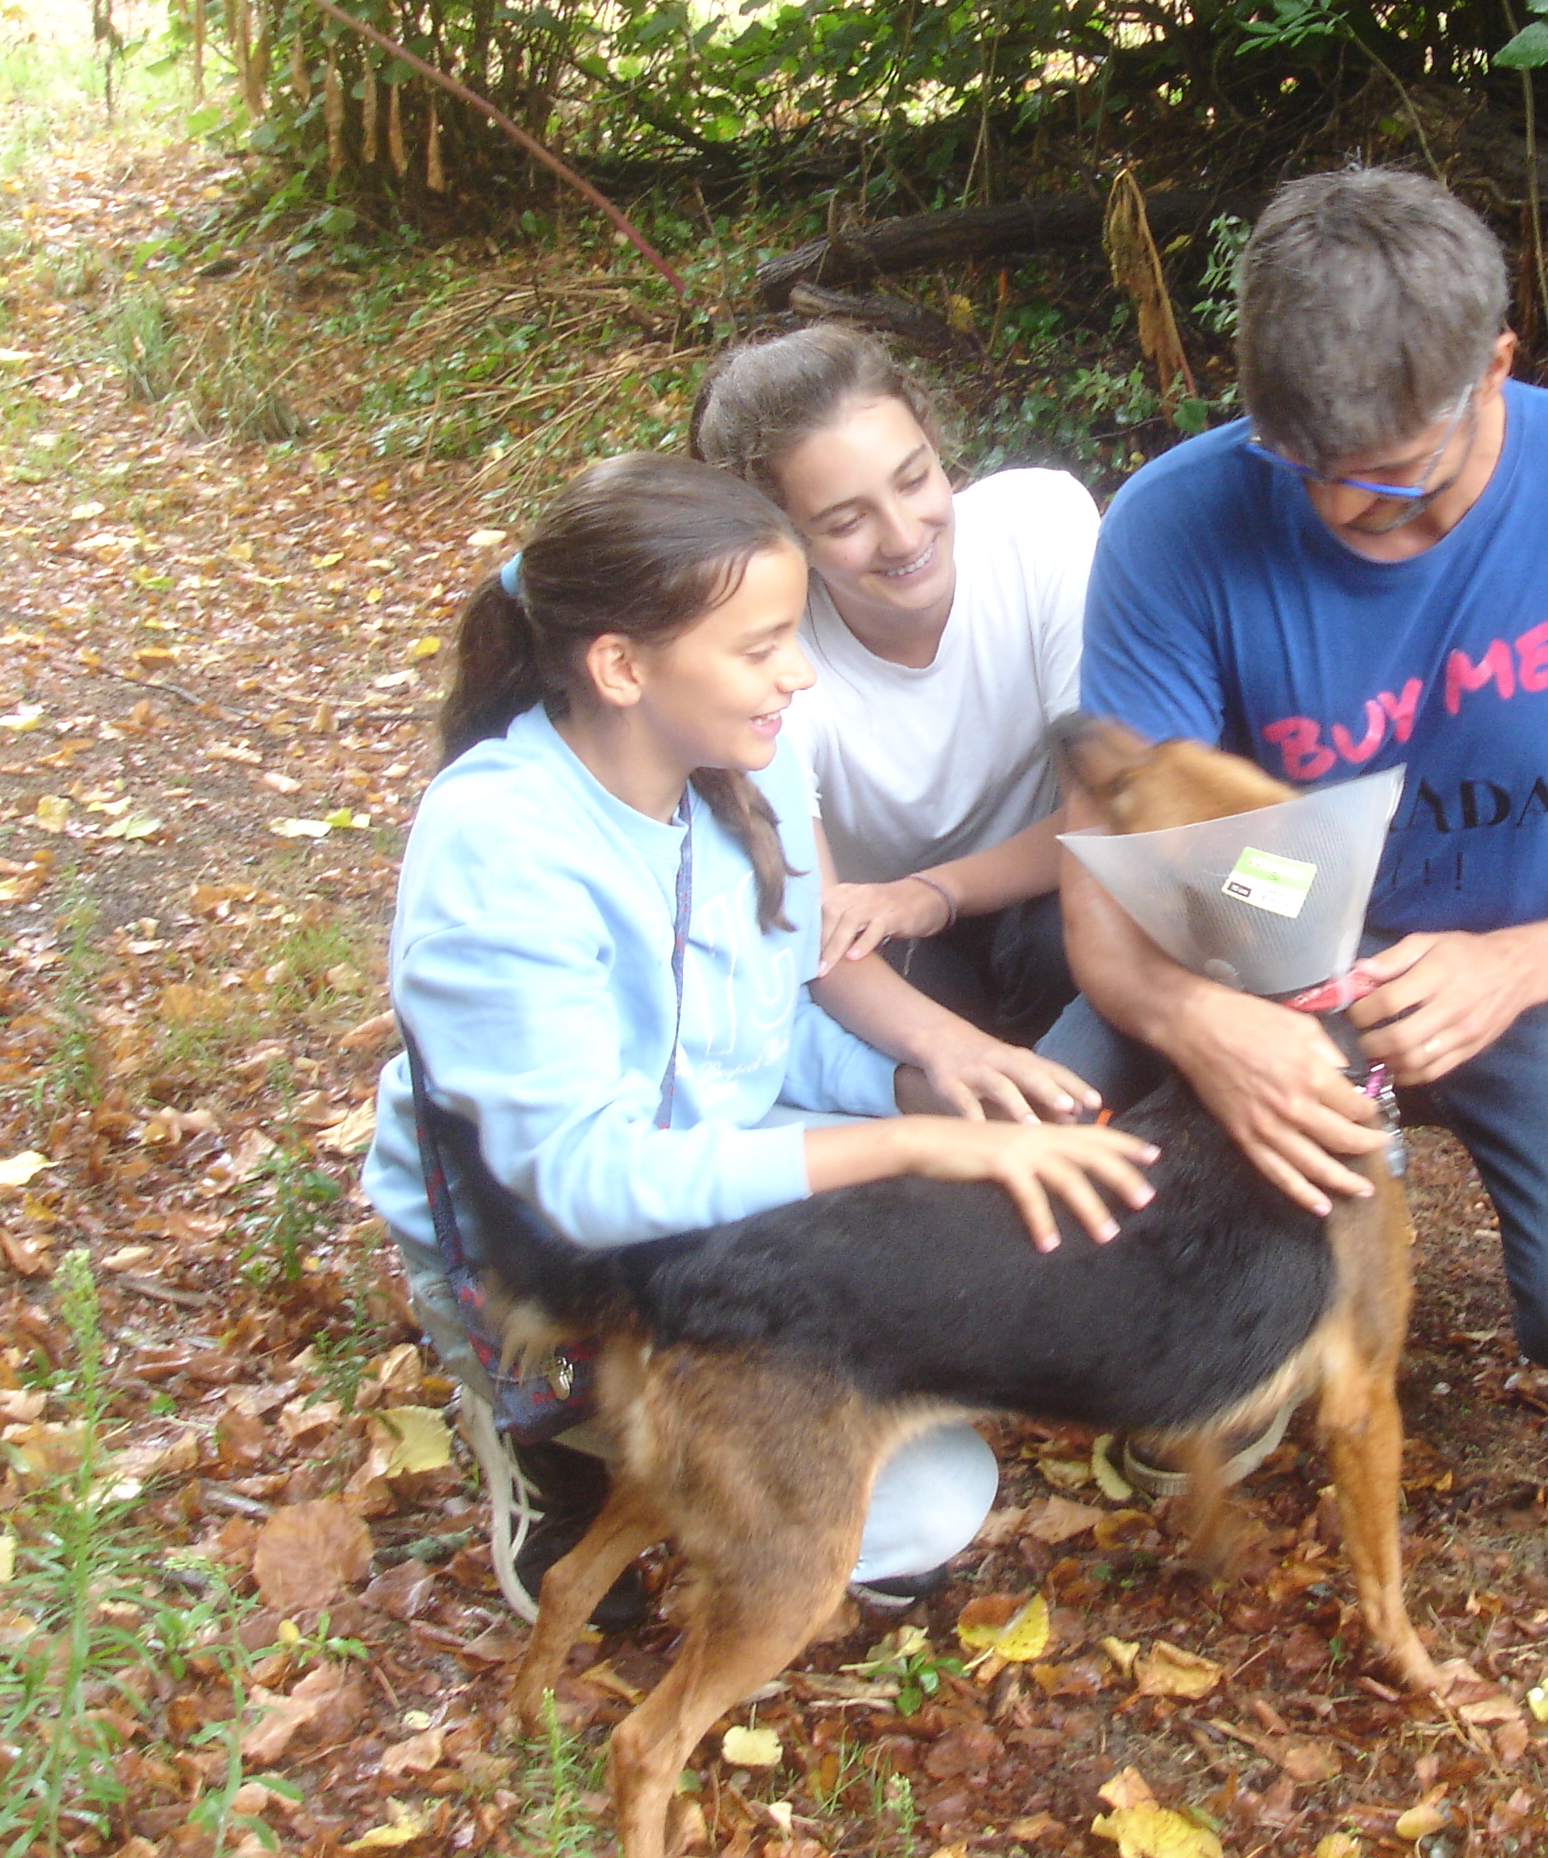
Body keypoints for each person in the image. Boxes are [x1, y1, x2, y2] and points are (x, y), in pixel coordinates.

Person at [1060, 167, 1548, 1466]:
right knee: (1061, 1145)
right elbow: (1111, 891)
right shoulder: (1173, 525)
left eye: (1396, 475)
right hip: (1279, 949)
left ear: (1496, 367)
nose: (1342, 509)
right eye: (1301, 467)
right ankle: (1241, 1337)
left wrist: (1516, 967)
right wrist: (1198, 1023)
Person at [363, 453, 1155, 1627]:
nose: (800, 672)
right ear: (621, 668)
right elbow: (583, 1179)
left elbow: (756, 1031)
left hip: (708, 1163)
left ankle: (701, 1435)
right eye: (761, 647)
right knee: (926, 1500)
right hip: (542, 1250)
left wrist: (925, 1086)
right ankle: (545, 1431)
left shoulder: (749, 764)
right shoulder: (502, 846)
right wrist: (909, 1149)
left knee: (964, 1343)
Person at [697, 325, 1099, 1054]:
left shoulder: (1041, 528)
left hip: (1051, 886)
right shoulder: (772, 659)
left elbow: (1108, 819)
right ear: (782, 540)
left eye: (914, 480)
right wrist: (964, 1061)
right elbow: (813, 923)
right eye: (846, 521)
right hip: (884, 942)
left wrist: (934, 893)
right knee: (883, 980)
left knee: (1074, 931)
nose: (905, 535)